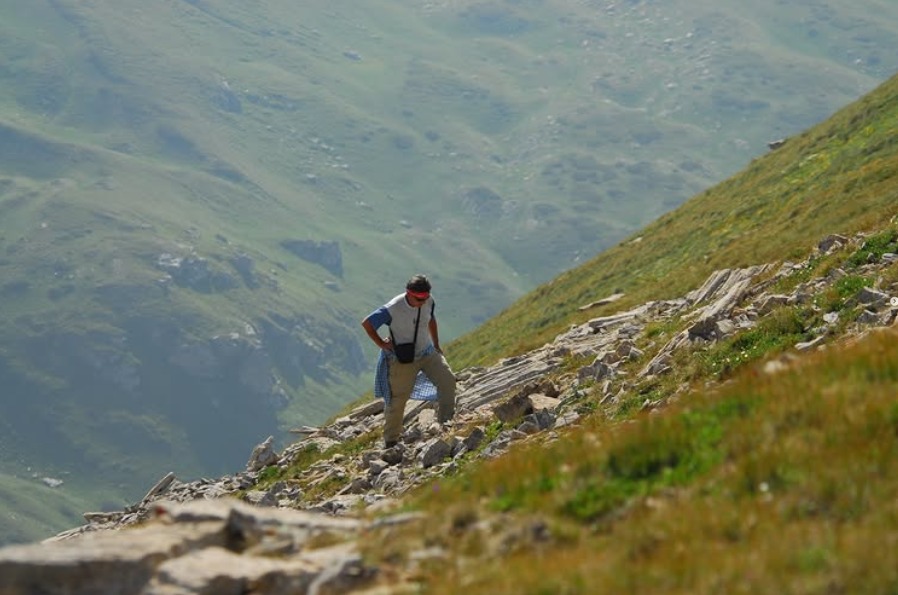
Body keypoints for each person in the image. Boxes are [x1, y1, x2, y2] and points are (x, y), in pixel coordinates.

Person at [361, 274, 456, 448]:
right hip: (402, 358)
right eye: (419, 299)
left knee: (448, 381)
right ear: (408, 293)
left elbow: (431, 318)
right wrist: (381, 344)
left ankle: (446, 424)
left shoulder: (428, 301)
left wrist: (436, 344)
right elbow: (367, 323)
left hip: (427, 352)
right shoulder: (393, 308)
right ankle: (391, 441)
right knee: (398, 399)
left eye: (425, 298)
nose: (422, 302)